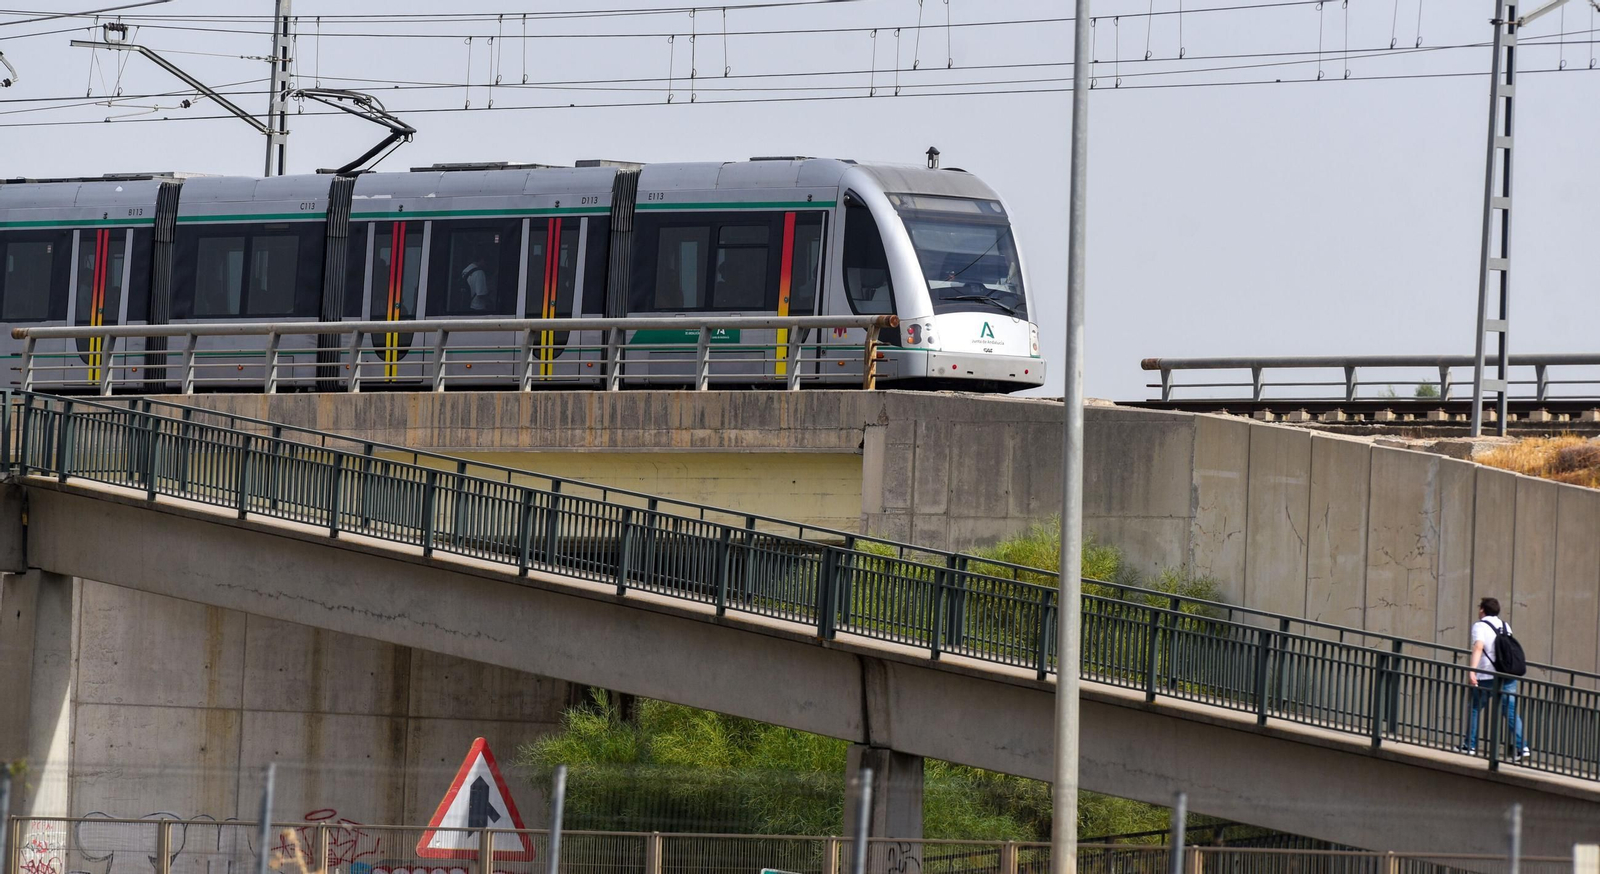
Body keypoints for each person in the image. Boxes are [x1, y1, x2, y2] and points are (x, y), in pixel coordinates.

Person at [1459, 597, 1529, 760]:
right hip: (1507, 674)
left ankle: (1470, 745)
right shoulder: (1505, 625)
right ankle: (1522, 747)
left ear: (1482, 610)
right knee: (1510, 712)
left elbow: (1479, 646)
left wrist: (1472, 671)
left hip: (1487, 675)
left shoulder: (1480, 626)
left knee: (1474, 707)